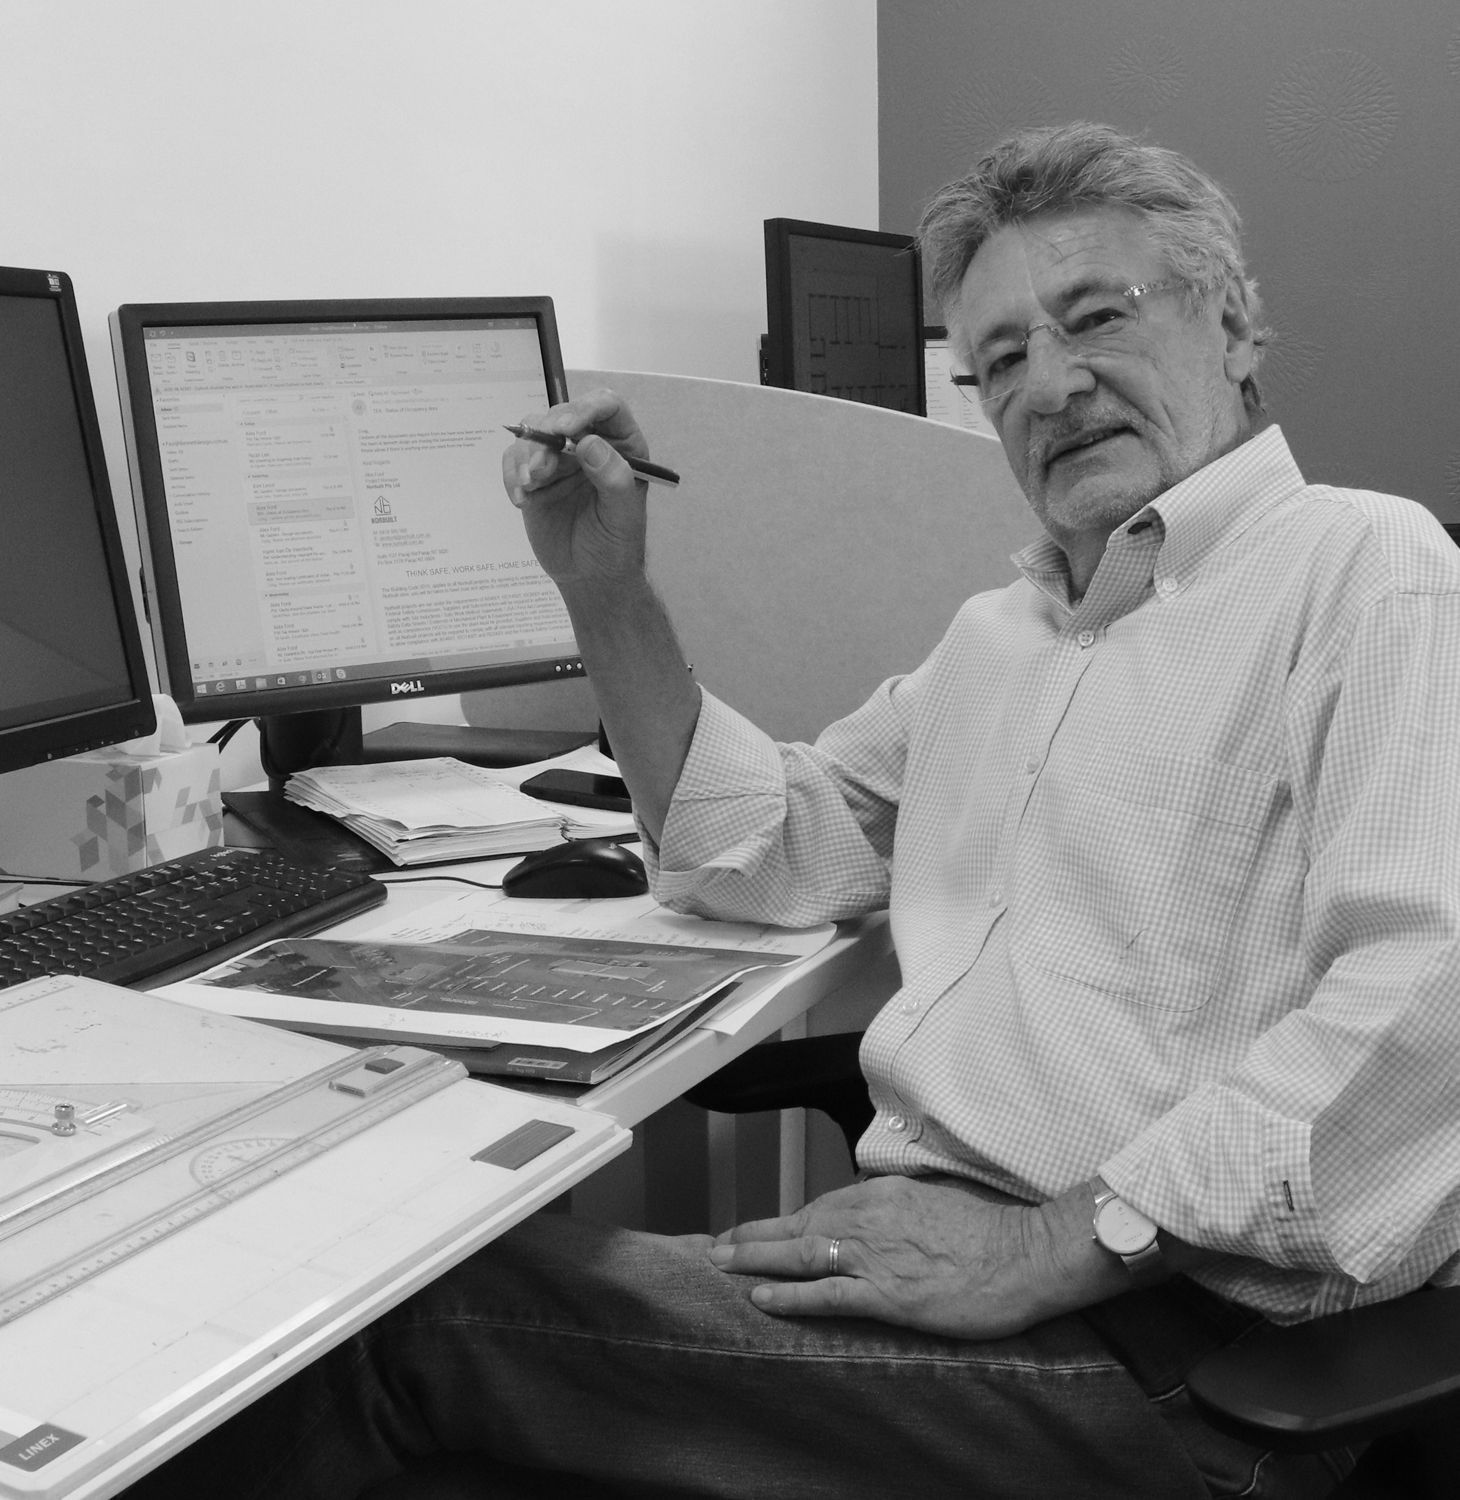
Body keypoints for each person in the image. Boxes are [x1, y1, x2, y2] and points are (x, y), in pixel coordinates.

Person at [130, 122, 1460, 1499]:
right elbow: (754, 850)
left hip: (1172, 1349)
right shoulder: (1004, 640)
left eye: (1094, 318)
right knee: (390, 1269)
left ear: (1236, 324)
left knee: (369, 1314)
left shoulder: (1371, 574)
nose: (1050, 387)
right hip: (961, 1270)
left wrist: (1056, 1243)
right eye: (999, 360)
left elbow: (1428, 1004)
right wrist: (607, 590)